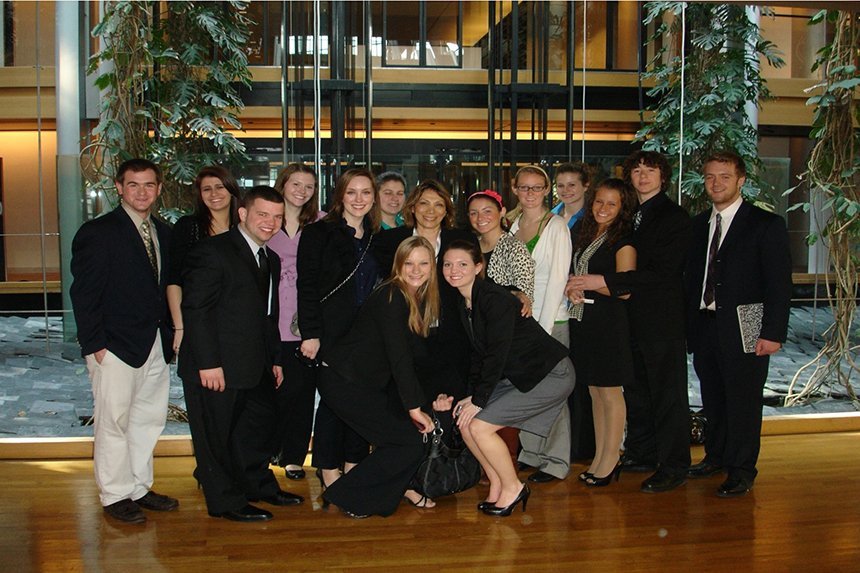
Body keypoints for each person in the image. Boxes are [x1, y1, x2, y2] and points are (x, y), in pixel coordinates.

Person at [569, 150, 691, 494]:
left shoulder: (674, 217)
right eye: (636, 169)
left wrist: (601, 282)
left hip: (661, 322)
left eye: (650, 169)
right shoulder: (631, 215)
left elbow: (662, 275)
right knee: (638, 394)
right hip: (628, 322)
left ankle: (674, 466)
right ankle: (643, 452)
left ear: (663, 177)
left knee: (667, 397)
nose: (642, 175)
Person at [180, 185, 304, 522]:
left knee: (254, 432)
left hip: (256, 364)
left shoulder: (270, 257)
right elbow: (196, 310)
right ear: (243, 214)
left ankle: (259, 487)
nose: (270, 222)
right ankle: (225, 502)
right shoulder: (213, 252)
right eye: (262, 214)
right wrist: (208, 364)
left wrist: (275, 359)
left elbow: (269, 314)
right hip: (216, 366)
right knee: (215, 438)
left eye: (277, 216)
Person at [70, 158, 178, 524]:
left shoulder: (163, 231)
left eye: (149, 185)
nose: (142, 192)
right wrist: (94, 344)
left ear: (159, 189)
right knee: (113, 422)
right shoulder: (98, 232)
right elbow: (84, 293)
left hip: (154, 344)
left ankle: (138, 487)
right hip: (113, 345)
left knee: (147, 420)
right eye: (133, 185)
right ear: (119, 187)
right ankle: (115, 494)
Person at [438, 240, 575, 516]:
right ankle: (498, 484)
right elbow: (479, 354)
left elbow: (497, 354)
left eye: (462, 264)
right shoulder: (464, 300)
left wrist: (480, 399)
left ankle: (514, 487)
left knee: (479, 427)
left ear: (478, 266)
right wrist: (472, 396)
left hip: (550, 373)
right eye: (448, 264)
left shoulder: (494, 299)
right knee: (466, 423)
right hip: (519, 376)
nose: (454, 270)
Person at [685, 151, 792, 497]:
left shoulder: (765, 224)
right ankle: (716, 456)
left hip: (747, 326)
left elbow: (779, 283)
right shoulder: (699, 224)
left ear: (741, 180)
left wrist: (772, 334)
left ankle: (742, 469)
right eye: (710, 177)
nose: (716, 184)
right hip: (705, 324)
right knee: (713, 397)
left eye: (725, 177)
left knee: (743, 402)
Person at [318, 237, 439, 517]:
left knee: (410, 441)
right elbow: (400, 358)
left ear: (432, 267)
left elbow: (414, 357)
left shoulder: (416, 297)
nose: (416, 269)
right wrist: (414, 408)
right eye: (409, 263)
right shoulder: (391, 295)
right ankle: (348, 495)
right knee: (407, 441)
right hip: (343, 381)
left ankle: (363, 494)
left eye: (423, 263)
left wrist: (429, 398)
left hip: (363, 383)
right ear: (398, 265)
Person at [296, 168, 379, 493]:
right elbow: (307, 285)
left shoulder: (376, 236)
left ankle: (353, 466)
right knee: (333, 402)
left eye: (366, 193)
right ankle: (329, 470)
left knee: (361, 402)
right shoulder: (319, 232)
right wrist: (311, 333)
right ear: (340, 196)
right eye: (352, 192)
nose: (359, 200)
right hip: (331, 333)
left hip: (367, 336)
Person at [373, 180, 478, 405]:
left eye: (439, 205)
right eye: (424, 204)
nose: (431, 211)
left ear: (446, 211)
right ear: (412, 207)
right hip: (406, 335)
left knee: (449, 405)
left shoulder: (462, 240)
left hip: (451, 339)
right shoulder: (389, 241)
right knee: (407, 404)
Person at [566, 178, 637, 487]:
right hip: (585, 320)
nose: (603, 208)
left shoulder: (623, 239)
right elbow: (575, 275)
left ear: (622, 209)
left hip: (610, 323)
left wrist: (590, 282)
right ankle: (599, 456)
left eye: (611, 204)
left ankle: (612, 457)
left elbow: (625, 288)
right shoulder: (583, 233)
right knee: (594, 391)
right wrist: (572, 288)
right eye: (599, 202)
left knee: (610, 392)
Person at [508, 165, 573, 484]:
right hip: (522, 325)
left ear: (547, 191)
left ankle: (556, 460)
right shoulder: (512, 225)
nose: (530, 194)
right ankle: (531, 453)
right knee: (526, 391)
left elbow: (559, 279)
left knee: (553, 394)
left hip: (550, 324)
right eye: (524, 188)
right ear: (515, 189)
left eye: (537, 188)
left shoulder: (557, 226)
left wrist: (542, 333)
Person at [466, 189, 535, 464]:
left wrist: (518, 295)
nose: (480, 217)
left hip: (506, 339)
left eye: (487, 211)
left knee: (502, 401)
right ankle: (483, 462)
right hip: (478, 337)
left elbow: (525, 295)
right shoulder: (470, 246)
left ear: (502, 212)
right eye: (473, 212)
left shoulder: (513, 246)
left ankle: (505, 463)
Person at [267, 163, 325, 481]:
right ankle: (265, 451)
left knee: (302, 394)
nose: (302, 191)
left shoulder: (320, 223)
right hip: (270, 317)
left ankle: (293, 457)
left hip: (305, 321)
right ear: (282, 184)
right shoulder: (266, 219)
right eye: (296, 184)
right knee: (271, 392)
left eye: (308, 186)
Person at [167, 166, 241, 356]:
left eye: (219, 187)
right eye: (207, 189)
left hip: (236, 326)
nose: (214, 194)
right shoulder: (188, 227)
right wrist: (180, 327)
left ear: (231, 190)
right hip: (197, 322)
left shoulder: (244, 230)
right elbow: (174, 280)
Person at [551, 162, 590, 229]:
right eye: (560, 185)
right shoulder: (550, 216)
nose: (565, 190)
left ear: (585, 186)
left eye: (571, 185)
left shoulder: (593, 219)